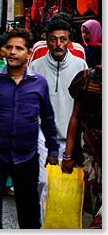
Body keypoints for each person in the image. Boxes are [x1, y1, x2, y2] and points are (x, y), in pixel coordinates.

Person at [0, 28, 59, 229]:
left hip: (27, 156)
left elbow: (48, 119)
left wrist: (53, 151)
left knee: (28, 210)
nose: (13, 52)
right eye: (9, 47)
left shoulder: (39, 83)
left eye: (19, 48)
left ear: (29, 52)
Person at [29, 20, 88, 199]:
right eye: (53, 39)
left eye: (63, 39)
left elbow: (83, 106)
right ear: (46, 40)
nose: (58, 44)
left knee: (68, 190)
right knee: (43, 183)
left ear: (69, 40)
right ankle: (42, 225)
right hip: (42, 138)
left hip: (73, 138)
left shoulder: (80, 66)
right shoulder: (35, 67)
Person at [63, 65, 102, 229]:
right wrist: (68, 155)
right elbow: (75, 117)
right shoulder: (87, 79)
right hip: (90, 153)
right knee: (95, 201)